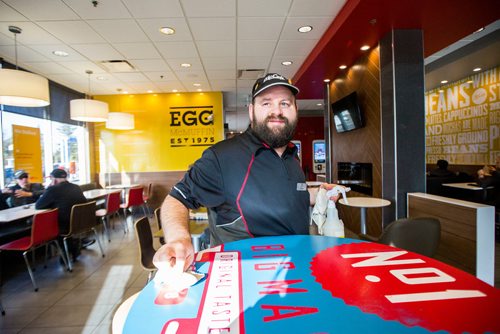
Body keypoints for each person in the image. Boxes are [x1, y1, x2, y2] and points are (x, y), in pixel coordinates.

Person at [153, 73, 343, 272]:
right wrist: (178, 239)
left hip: (298, 270)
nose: (276, 111)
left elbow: (287, 195)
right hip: (244, 277)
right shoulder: (222, 157)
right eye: (266, 103)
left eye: (285, 103)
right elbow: (177, 199)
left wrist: (319, 194)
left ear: (295, 110)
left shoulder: (291, 156)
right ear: (252, 111)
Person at [35, 168, 91, 260]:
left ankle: (70, 249)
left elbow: (38, 205)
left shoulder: (53, 189)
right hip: (79, 223)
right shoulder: (76, 187)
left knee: (48, 230)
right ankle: (73, 247)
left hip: (64, 226)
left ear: (54, 179)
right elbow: (84, 202)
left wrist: (48, 189)